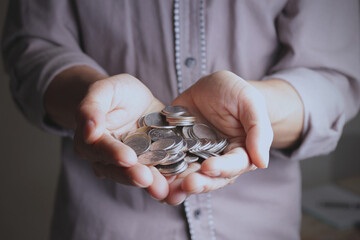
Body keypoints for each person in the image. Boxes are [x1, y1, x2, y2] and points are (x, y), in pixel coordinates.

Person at [2, 0, 359, 239]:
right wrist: (93, 98)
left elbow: (333, 77)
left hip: (262, 228)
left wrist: (256, 109)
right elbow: (33, 45)